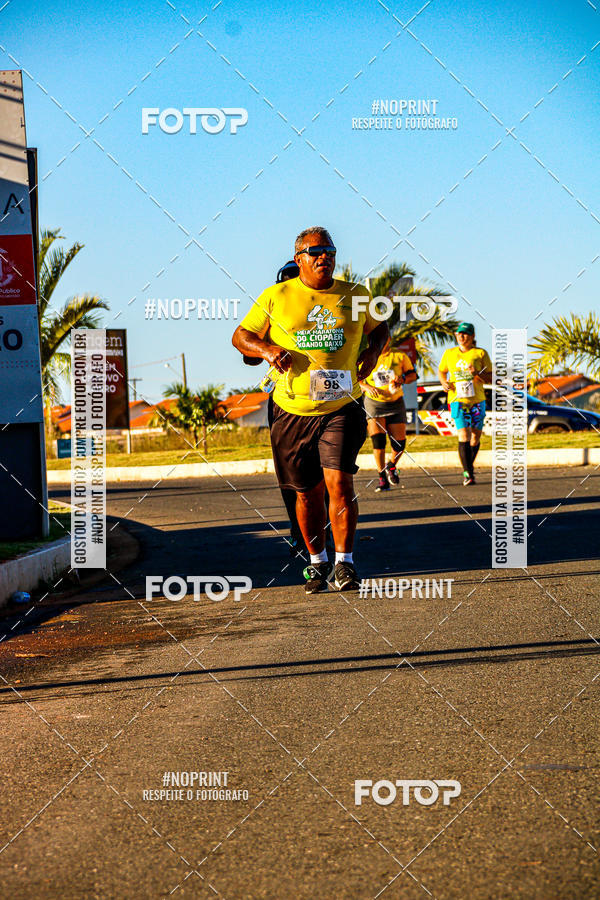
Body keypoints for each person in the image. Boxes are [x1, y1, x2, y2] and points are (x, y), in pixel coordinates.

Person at [232, 226, 388, 593]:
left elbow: (380, 329)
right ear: (299, 257)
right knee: (306, 492)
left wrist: (373, 350)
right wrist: (268, 350)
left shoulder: (356, 295)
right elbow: (241, 336)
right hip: (291, 409)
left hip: (341, 406)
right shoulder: (276, 295)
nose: (325, 257)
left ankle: (345, 563)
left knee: (340, 482)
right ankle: (317, 561)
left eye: (330, 251)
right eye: (316, 252)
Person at [438, 322, 492, 485]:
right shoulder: (449, 353)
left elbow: (490, 377)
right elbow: (442, 370)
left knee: (475, 437)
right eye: (459, 333)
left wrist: (477, 374)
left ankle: (469, 467)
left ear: (472, 336)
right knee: (464, 435)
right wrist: (444, 382)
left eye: (465, 333)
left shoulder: (480, 353)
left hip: (477, 400)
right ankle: (468, 473)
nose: (462, 336)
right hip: (457, 400)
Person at [361, 338, 417, 491]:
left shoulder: (399, 355)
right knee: (378, 442)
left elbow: (413, 375)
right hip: (374, 403)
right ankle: (382, 478)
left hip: (395, 401)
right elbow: (355, 377)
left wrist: (403, 379)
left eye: (384, 337)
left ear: (389, 339)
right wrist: (366, 387)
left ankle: (391, 466)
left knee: (399, 444)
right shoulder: (367, 355)